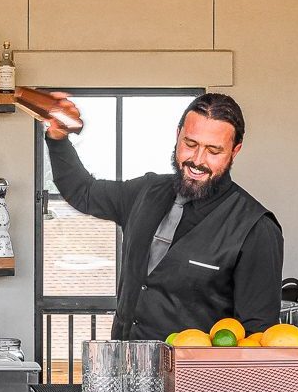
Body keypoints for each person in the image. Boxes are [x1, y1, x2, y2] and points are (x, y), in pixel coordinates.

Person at [42, 92, 283, 340]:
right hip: (126, 369)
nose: (198, 161)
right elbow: (84, 191)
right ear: (177, 135)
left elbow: (258, 339)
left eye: (213, 150)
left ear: (235, 151)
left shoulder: (256, 229)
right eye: (190, 144)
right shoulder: (145, 192)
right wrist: (58, 139)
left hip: (195, 377)